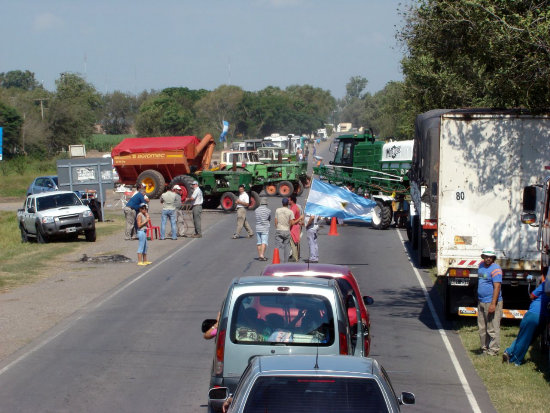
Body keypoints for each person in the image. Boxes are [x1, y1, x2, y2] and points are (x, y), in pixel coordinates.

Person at [503, 280, 549, 365]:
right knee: (529, 338)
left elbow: (532, 296)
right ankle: (509, 352)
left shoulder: (546, 283)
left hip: (533, 313)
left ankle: (515, 359)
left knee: (523, 337)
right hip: (544, 317)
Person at [477, 248, 503, 356]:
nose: (488, 259)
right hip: (481, 301)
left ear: (493, 258)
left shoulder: (496, 269)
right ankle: (485, 348)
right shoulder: (481, 266)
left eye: (490, 257)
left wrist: (493, 303)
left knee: (492, 327)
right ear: (483, 257)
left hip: (491, 302)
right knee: (482, 327)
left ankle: (493, 350)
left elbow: (497, 287)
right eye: (486, 256)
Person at [274, 197, 294, 262]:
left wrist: (277, 227)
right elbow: (291, 222)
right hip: (286, 230)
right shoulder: (290, 211)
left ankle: (280, 260)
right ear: (288, 203)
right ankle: (285, 262)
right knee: (286, 246)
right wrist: (288, 227)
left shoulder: (277, 210)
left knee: (279, 247)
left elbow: (276, 221)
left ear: (282, 203)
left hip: (279, 229)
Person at [288, 194, 303, 262]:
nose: (288, 201)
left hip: (293, 228)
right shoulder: (296, 207)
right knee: (296, 242)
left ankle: (295, 257)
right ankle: (296, 257)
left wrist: (299, 218)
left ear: (292, 200)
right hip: (297, 227)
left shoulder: (293, 208)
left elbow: (292, 222)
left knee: (293, 243)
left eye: (289, 200)